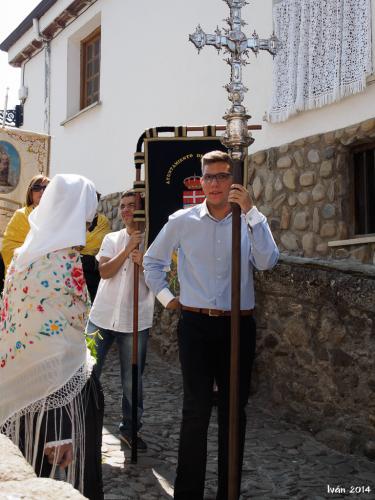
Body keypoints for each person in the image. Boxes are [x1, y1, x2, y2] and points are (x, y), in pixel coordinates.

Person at [143, 150, 279, 500]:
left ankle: (228, 493)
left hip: (238, 326)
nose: (215, 184)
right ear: (201, 181)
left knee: (235, 411)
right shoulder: (182, 220)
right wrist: (166, 298)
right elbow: (152, 261)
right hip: (196, 326)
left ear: (233, 181)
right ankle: (188, 494)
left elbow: (266, 262)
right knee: (196, 409)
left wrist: (252, 212)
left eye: (222, 176)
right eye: (209, 177)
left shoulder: (248, 221)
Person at [0, 174, 104, 500]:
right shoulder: (64, 263)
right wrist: (60, 431)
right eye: (87, 222)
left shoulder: (21, 258)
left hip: (25, 391)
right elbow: (55, 342)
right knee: (65, 483)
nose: (87, 230)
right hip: (61, 401)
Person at [86, 190, 155, 450]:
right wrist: (127, 250)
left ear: (142, 210)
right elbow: (104, 271)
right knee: (88, 372)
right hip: (101, 317)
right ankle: (83, 422)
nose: (125, 210)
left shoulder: (155, 242)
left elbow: (160, 283)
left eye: (131, 206)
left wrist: (143, 264)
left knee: (132, 380)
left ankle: (130, 430)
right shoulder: (112, 238)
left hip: (135, 322)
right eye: (123, 206)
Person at [1, 174, 50, 274]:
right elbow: (8, 247)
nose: (42, 191)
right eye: (37, 188)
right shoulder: (21, 215)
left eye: (46, 188)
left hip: (49, 272)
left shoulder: (57, 217)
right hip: (25, 272)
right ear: (30, 192)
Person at [80, 193, 110, 302]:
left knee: (92, 300)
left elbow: (99, 244)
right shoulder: (75, 219)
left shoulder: (102, 221)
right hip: (76, 266)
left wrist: (81, 246)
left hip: (92, 268)